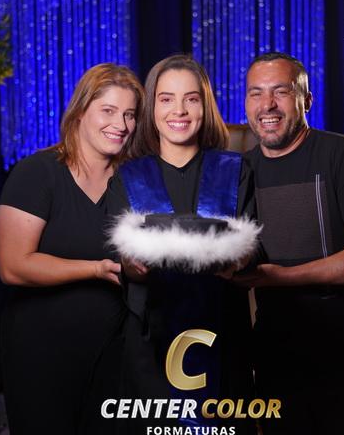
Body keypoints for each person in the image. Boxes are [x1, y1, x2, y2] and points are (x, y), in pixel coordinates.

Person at [236, 51, 344, 435]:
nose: (267, 105)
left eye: (281, 92)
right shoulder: (240, 172)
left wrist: (280, 277)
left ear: (306, 100)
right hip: (276, 364)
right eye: (256, 93)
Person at [103, 54, 258, 435]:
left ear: (205, 105)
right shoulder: (127, 177)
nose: (179, 110)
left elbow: (251, 247)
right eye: (166, 99)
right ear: (152, 107)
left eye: (191, 98)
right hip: (151, 341)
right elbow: (120, 259)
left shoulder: (235, 170)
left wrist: (237, 261)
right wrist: (132, 265)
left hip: (223, 335)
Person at [0, 63, 144, 435]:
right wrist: (95, 269)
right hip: (41, 356)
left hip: (113, 355)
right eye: (108, 110)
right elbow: (12, 266)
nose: (121, 124)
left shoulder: (133, 182)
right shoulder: (37, 173)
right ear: (80, 111)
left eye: (129, 114)